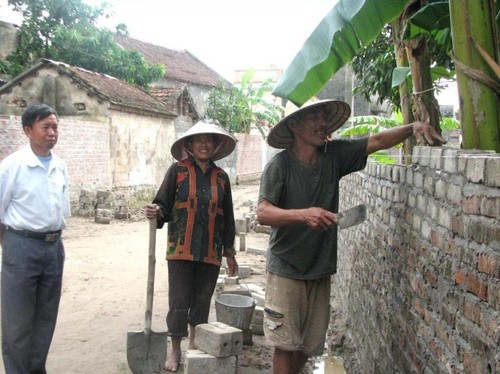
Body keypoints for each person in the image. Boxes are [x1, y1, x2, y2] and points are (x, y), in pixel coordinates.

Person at [257, 99, 445, 374]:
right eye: (315, 118)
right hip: (287, 267)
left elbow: (377, 140)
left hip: (319, 268)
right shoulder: (280, 165)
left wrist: (412, 127)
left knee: (306, 347)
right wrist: (303, 215)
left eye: (325, 118)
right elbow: (263, 213)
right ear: (295, 126)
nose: (323, 124)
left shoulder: (334, 155)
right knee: (285, 344)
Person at [144, 120, 239, 372]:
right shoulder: (177, 171)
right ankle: (175, 351)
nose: (204, 145)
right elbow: (162, 205)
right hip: (180, 250)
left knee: (201, 301)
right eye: (199, 140)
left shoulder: (222, 178)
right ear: (189, 145)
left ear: (216, 145)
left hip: (210, 251)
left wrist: (229, 253)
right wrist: (155, 211)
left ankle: (194, 347)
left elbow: (227, 217)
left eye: (209, 140)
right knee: (178, 302)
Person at [0, 103, 71, 374]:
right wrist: (13, 247)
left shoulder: (60, 166)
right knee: (17, 322)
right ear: (28, 130)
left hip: (53, 248)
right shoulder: (12, 166)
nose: (52, 132)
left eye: (55, 127)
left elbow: (62, 212)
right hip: (21, 247)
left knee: (45, 320)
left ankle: (36, 369)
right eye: (46, 127)